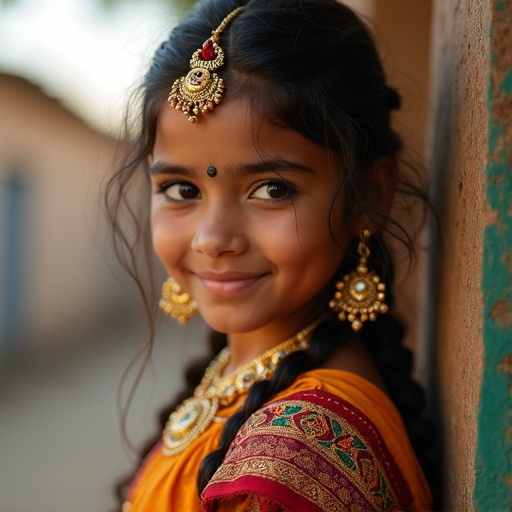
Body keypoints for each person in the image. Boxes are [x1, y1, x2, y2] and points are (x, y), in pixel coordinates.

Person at [106, 0, 436, 510]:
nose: (213, 239)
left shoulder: (291, 462)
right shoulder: (243, 378)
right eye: (181, 189)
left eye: (273, 189)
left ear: (369, 196)